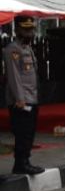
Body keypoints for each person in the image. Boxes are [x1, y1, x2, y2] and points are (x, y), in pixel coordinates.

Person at [4, 15, 43, 175]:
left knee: (29, 132)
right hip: (20, 101)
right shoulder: (12, 50)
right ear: (17, 30)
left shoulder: (27, 49)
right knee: (22, 133)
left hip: (31, 98)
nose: (29, 33)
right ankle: (20, 163)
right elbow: (14, 77)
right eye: (25, 30)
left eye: (31, 29)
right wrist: (19, 99)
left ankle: (25, 161)